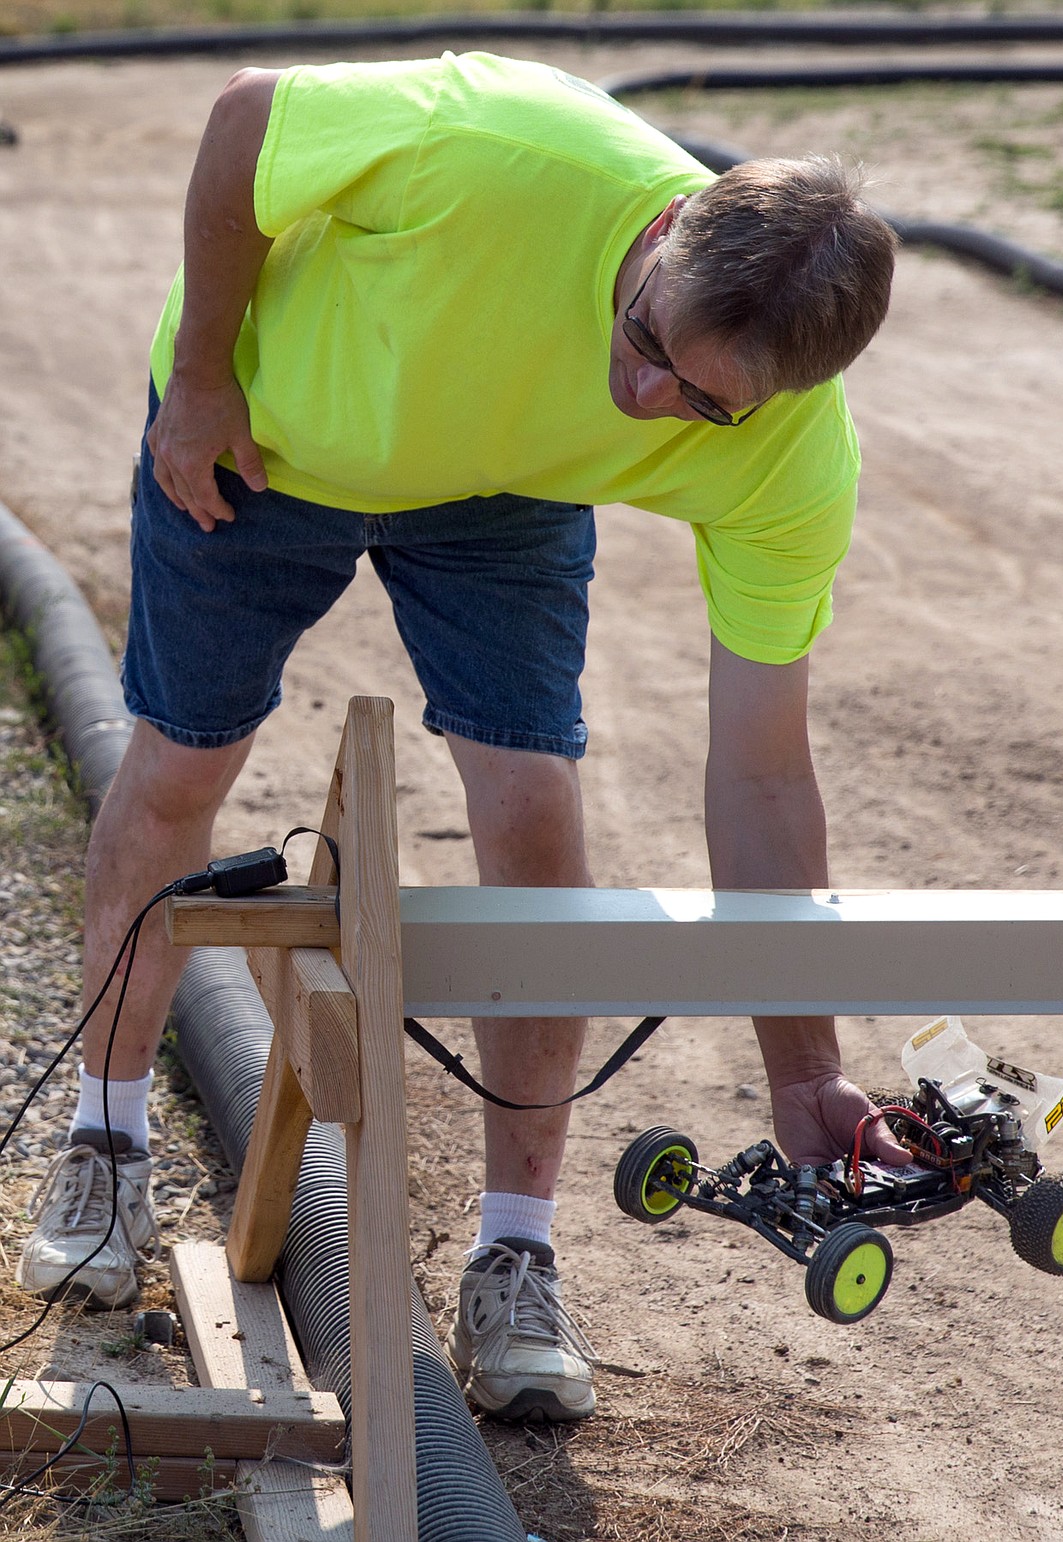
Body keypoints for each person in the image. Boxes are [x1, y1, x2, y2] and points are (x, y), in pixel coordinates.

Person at [17, 51, 911, 1421]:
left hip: (501, 493)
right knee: (182, 761)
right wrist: (200, 379)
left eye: (702, 400)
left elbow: (760, 770)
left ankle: (516, 1249)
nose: (648, 397)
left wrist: (805, 1071)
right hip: (267, 431)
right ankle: (107, 1137)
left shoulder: (787, 452)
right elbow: (247, 120)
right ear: (663, 232)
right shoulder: (501, 152)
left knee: (535, 817)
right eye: (644, 340)